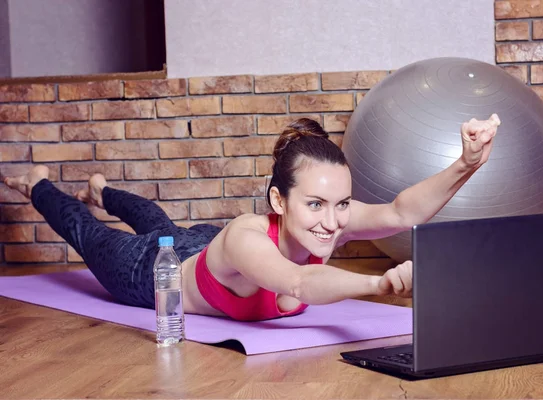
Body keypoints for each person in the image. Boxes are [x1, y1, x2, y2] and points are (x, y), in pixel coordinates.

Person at [3, 115, 500, 321]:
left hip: (198, 242)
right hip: (149, 275)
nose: (333, 222)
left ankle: (104, 189)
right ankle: (37, 185)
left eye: (342, 204)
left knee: (159, 220)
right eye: (315, 205)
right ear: (279, 201)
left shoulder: (328, 221)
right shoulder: (246, 235)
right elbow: (300, 283)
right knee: (88, 233)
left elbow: (400, 210)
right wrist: (379, 286)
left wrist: (466, 164)